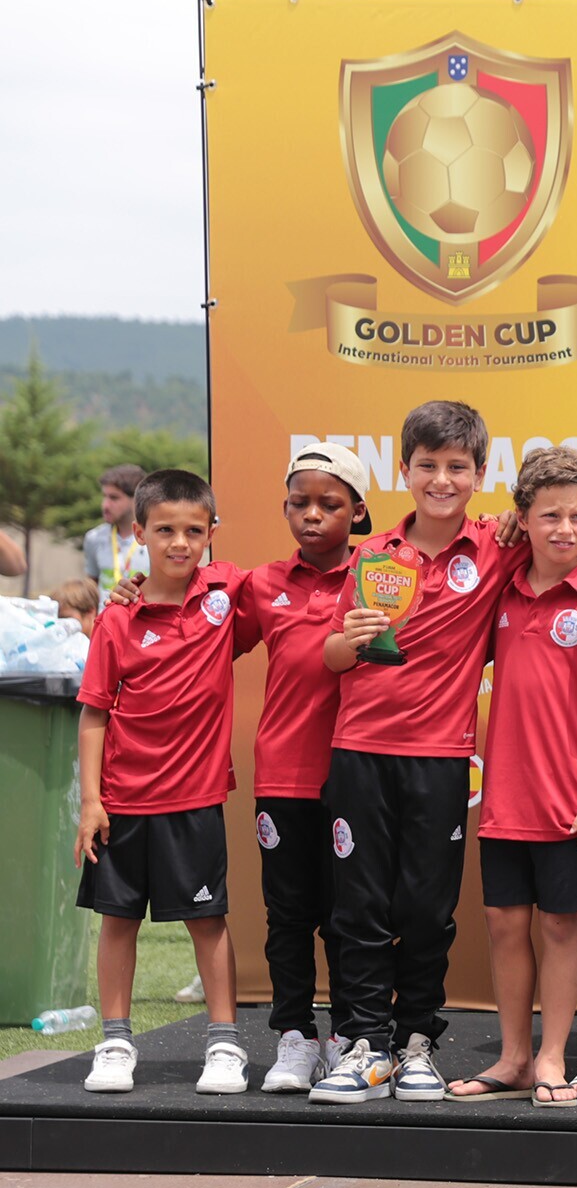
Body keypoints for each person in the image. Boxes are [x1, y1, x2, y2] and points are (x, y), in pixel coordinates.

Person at [315, 403, 577, 1104]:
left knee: (427, 908)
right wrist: (348, 639)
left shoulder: (497, 545)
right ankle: (363, 1043)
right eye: (428, 465)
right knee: (359, 906)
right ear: (404, 469)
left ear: (481, 474)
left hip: (442, 758)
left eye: (457, 467)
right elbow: (331, 656)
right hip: (360, 750)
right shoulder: (373, 553)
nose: (442, 480)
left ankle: (416, 1042)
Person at [444, 447, 577, 1107]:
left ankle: (553, 1056)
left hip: (573, 803)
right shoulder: (501, 586)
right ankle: (513, 1057)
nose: (564, 529)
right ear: (522, 518)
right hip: (506, 799)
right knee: (504, 924)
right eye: (549, 515)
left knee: (562, 927)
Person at [73, 469, 246, 1095]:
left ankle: (224, 1045)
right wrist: (91, 802)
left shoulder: (228, 592)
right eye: (165, 530)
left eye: (194, 531)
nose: (180, 542)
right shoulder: (117, 618)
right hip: (121, 802)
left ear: (211, 533)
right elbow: (94, 713)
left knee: (208, 921)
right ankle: (115, 1042)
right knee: (117, 921)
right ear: (138, 533)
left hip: (194, 802)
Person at [241, 444, 371, 1093]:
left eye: (329, 504)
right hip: (283, 777)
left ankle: (348, 1035)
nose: (312, 515)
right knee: (288, 914)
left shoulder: (380, 576)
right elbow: (199, 631)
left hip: (357, 776)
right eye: (300, 503)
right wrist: (132, 592)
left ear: (358, 511)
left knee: (349, 915)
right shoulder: (260, 584)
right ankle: (295, 1035)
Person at [82, 463, 150, 600]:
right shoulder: (93, 538)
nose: (105, 505)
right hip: (105, 612)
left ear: (136, 499)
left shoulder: (156, 538)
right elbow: (91, 587)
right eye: (104, 496)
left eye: (114, 498)